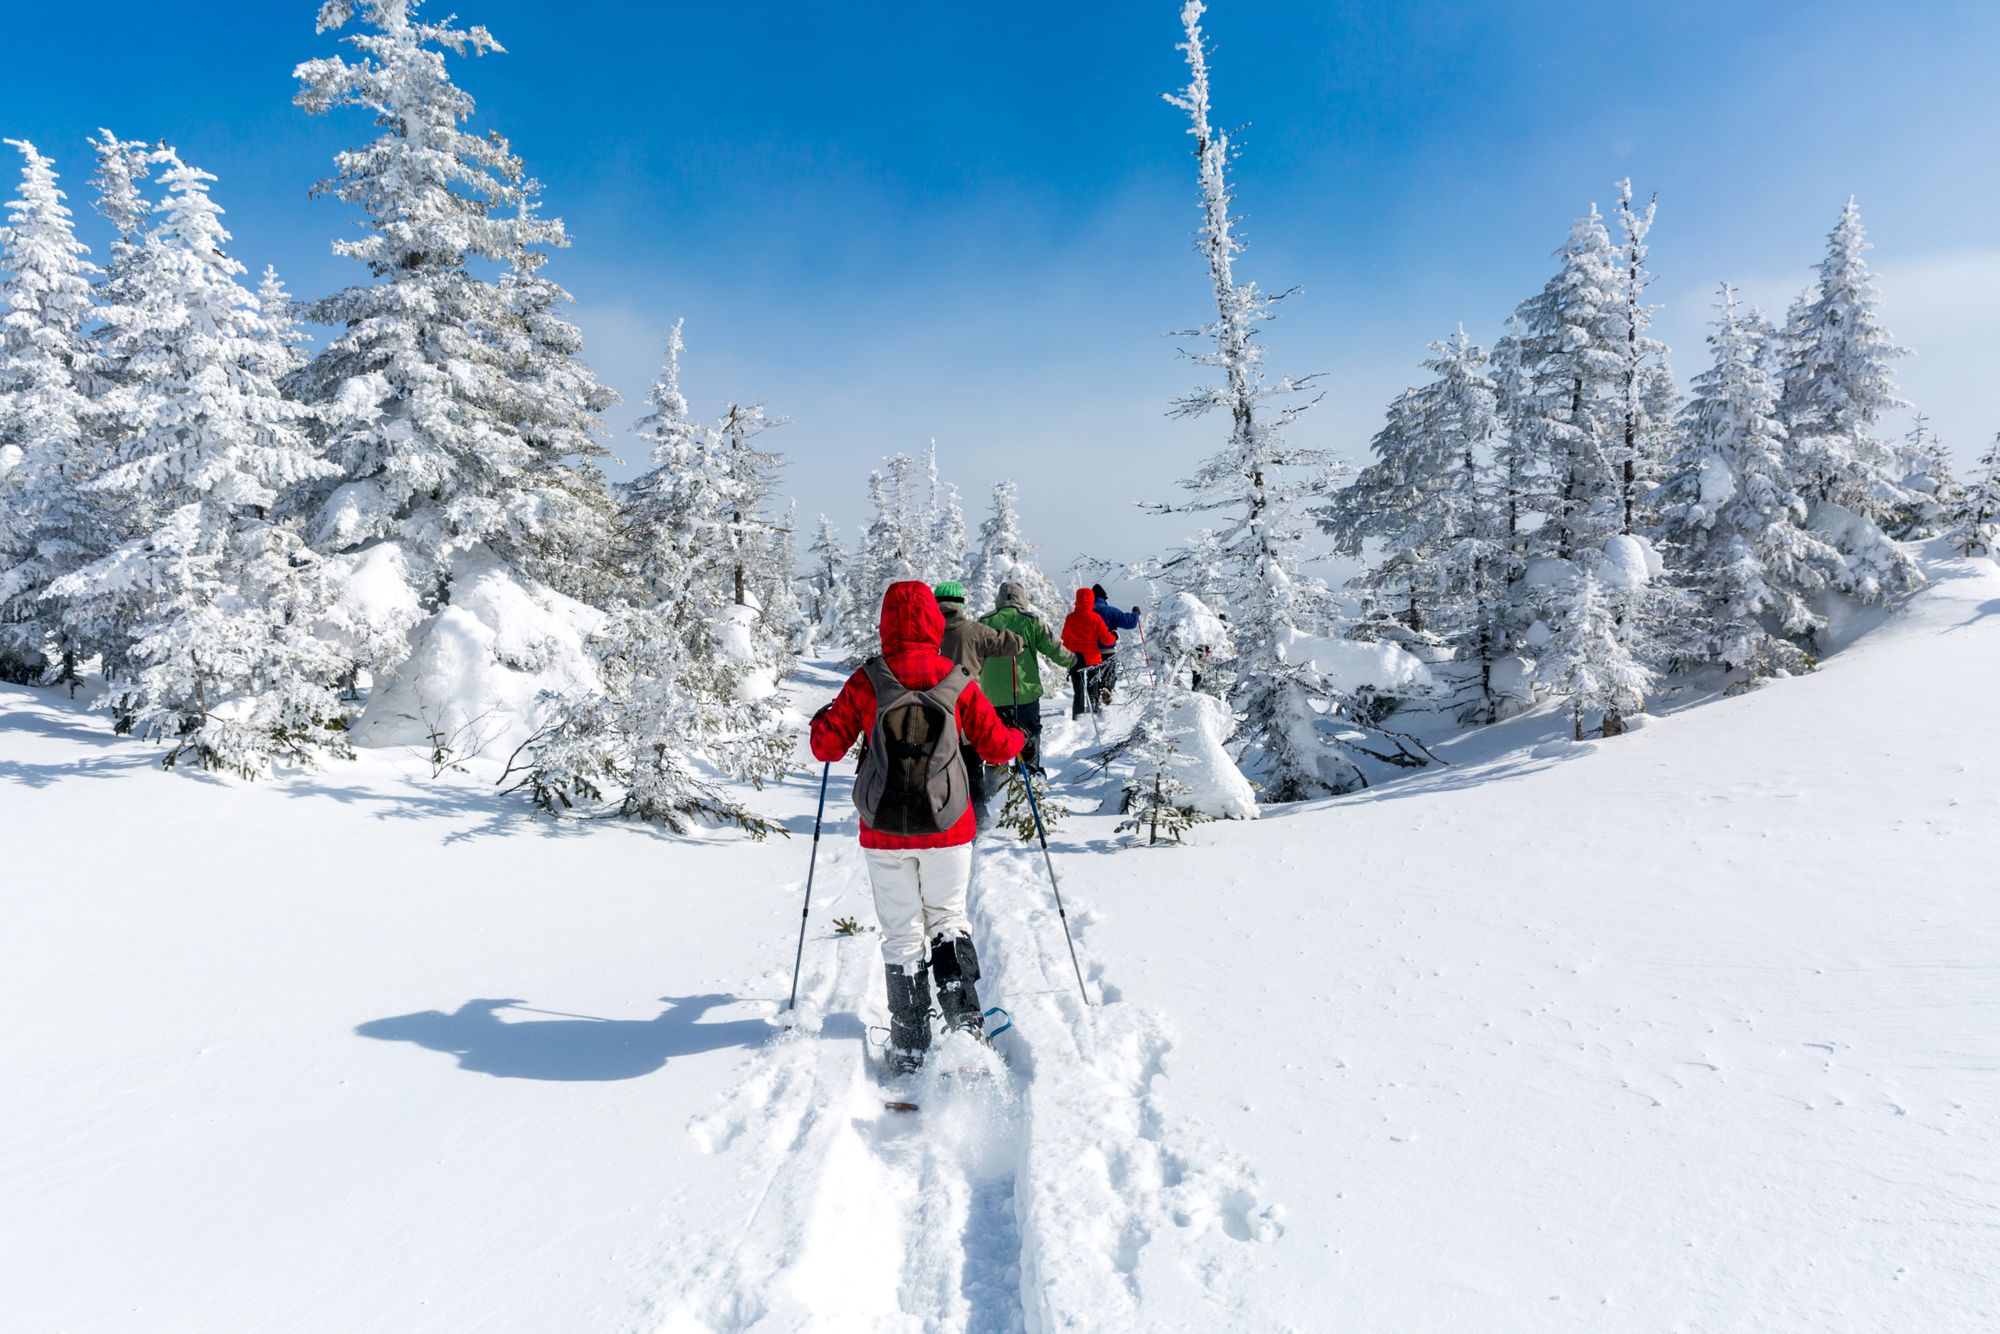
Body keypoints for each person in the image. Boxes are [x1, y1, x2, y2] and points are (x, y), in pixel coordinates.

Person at [810, 581, 1025, 1074]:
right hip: (948, 827)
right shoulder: (957, 679)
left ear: (886, 622)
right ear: (931, 621)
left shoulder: (868, 680)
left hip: (883, 832)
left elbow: (826, 748)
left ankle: (909, 1047)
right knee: (948, 918)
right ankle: (966, 1030)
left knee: (902, 934)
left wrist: (822, 720)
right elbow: (996, 747)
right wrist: (1017, 735)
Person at [934, 580, 1023, 813]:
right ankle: (977, 816)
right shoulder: (976, 631)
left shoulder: (928, 634)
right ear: (961, 604)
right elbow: (1013, 645)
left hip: (932, 714)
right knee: (972, 767)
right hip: (967, 712)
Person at [977, 580, 1074, 775]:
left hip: (992, 697)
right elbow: (1053, 649)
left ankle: (995, 786)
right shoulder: (1031, 621)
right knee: (1029, 737)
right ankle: (1029, 776)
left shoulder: (984, 622)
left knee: (996, 743)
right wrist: (1073, 661)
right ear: (1022, 598)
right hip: (1025, 695)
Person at [1060, 588, 1116, 720]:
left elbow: (1065, 640)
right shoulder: (1095, 618)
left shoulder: (1071, 618)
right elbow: (1106, 639)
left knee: (1078, 689)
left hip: (1075, 659)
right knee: (1093, 684)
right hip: (1093, 658)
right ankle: (1094, 705)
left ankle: (1077, 715)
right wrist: (1114, 637)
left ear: (1077, 599)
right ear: (1091, 600)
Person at [1090, 583, 1141, 706]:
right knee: (1109, 673)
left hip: (1090, 651)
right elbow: (1130, 623)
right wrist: (1135, 613)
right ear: (1104, 598)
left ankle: (1094, 697)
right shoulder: (1110, 610)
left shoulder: (1086, 612)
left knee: (1093, 675)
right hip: (1108, 649)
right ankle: (1107, 688)